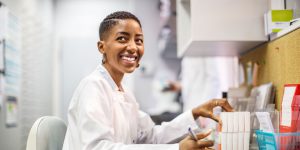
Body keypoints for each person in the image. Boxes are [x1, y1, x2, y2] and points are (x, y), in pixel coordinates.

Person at [62, 11, 233, 150]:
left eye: (139, 40)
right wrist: (177, 149)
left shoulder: (124, 91)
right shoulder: (93, 86)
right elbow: (98, 147)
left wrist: (194, 113)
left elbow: (151, 136)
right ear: (102, 47)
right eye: (122, 38)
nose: (133, 47)